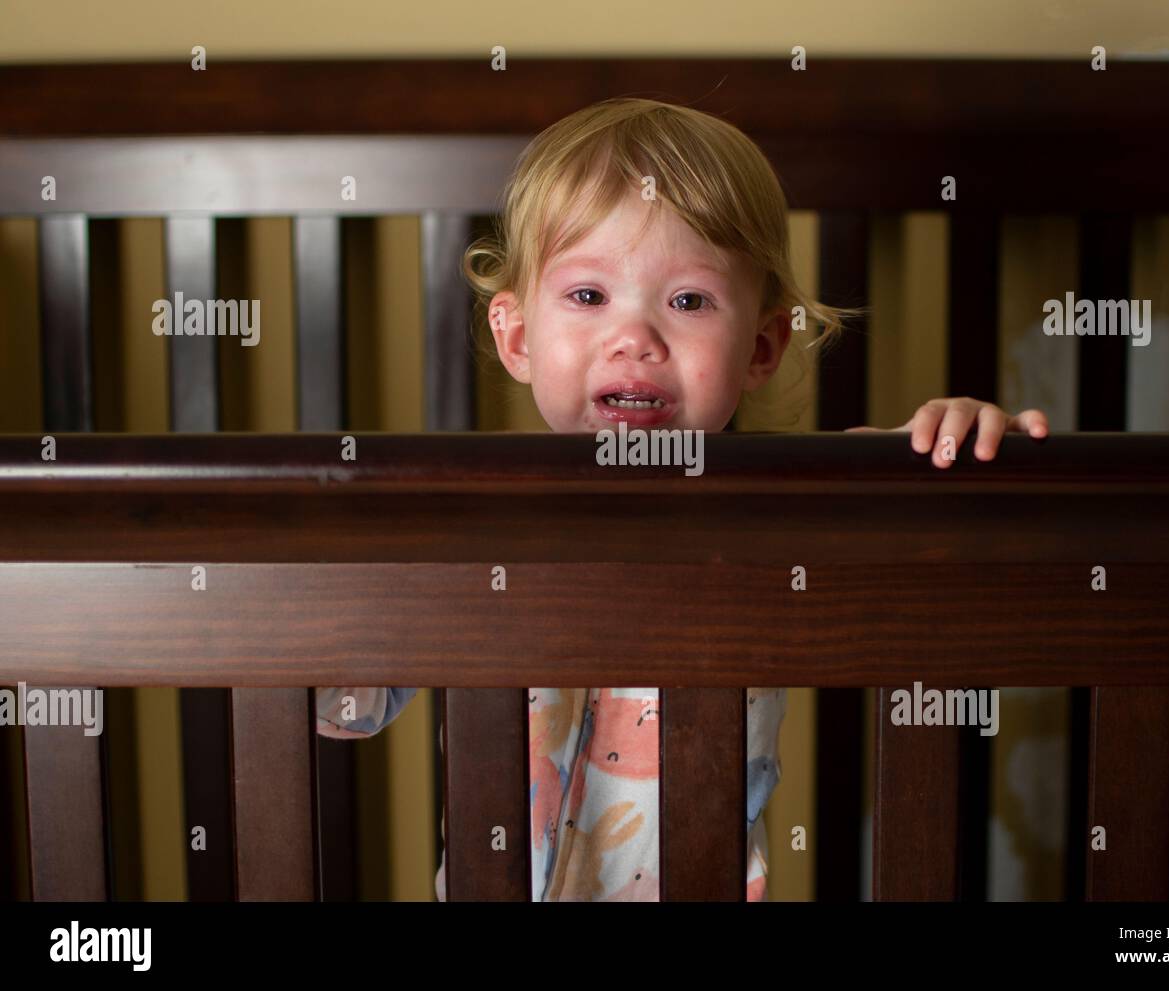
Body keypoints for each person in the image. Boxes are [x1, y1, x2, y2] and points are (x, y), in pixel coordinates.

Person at [316, 96, 1049, 901]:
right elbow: (337, 704)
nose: (636, 337)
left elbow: (934, 518)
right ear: (518, 337)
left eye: (689, 301)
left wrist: (964, 449)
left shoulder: (785, 506)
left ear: (762, 345)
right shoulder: (472, 526)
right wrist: (311, 589)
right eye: (590, 296)